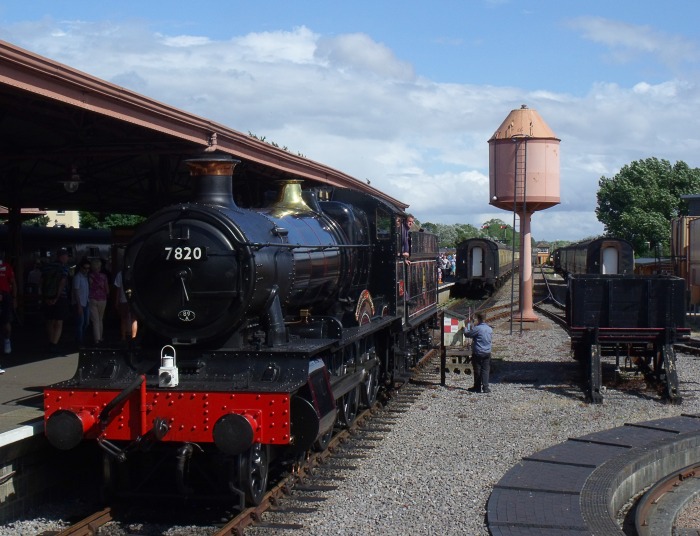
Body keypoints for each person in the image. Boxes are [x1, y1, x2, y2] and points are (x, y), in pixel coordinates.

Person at [42, 248, 71, 354]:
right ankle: (54, 344)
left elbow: (42, 282)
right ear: (62, 257)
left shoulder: (47, 267)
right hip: (60, 297)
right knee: (59, 322)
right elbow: (62, 282)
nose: (68, 258)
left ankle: (51, 341)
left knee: (50, 320)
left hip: (47, 296)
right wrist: (56, 297)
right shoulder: (64, 268)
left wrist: (46, 297)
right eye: (67, 256)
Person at [463, 312, 493, 393]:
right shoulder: (490, 329)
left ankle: (477, 387)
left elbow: (467, 334)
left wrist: (465, 327)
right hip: (487, 352)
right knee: (486, 370)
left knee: (477, 370)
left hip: (478, 352)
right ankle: (486, 387)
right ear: (485, 319)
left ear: (478, 319)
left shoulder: (478, 329)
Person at [0, 253, 17, 368]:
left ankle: (7, 340)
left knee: (6, 322)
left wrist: (15, 298)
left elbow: (13, 283)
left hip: (5, 296)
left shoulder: (7, 267)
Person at [88, 258, 109, 344]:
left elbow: (89, 287)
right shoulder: (104, 276)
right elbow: (107, 290)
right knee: (100, 319)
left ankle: (97, 340)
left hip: (93, 299)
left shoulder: (90, 276)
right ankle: (100, 337)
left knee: (95, 321)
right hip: (103, 299)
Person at [72, 258, 91, 347]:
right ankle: (79, 341)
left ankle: (80, 338)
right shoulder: (77, 277)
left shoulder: (86, 277)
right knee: (80, 323)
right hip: (79, 303)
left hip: (85, 302)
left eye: (88, 268)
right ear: (81, 268)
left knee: (85, 322)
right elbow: (76, 292)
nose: (87, 270)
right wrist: (79, 305)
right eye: (85, 268)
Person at [114, 270, 137, 341]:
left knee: (124, 319)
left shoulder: (120, 274)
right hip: (134, 300)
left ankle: (123, 337)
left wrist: (116, 301)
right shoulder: (134, 272)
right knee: (134, 319)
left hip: (123, 299)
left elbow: (118, 289)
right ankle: (133, 337)